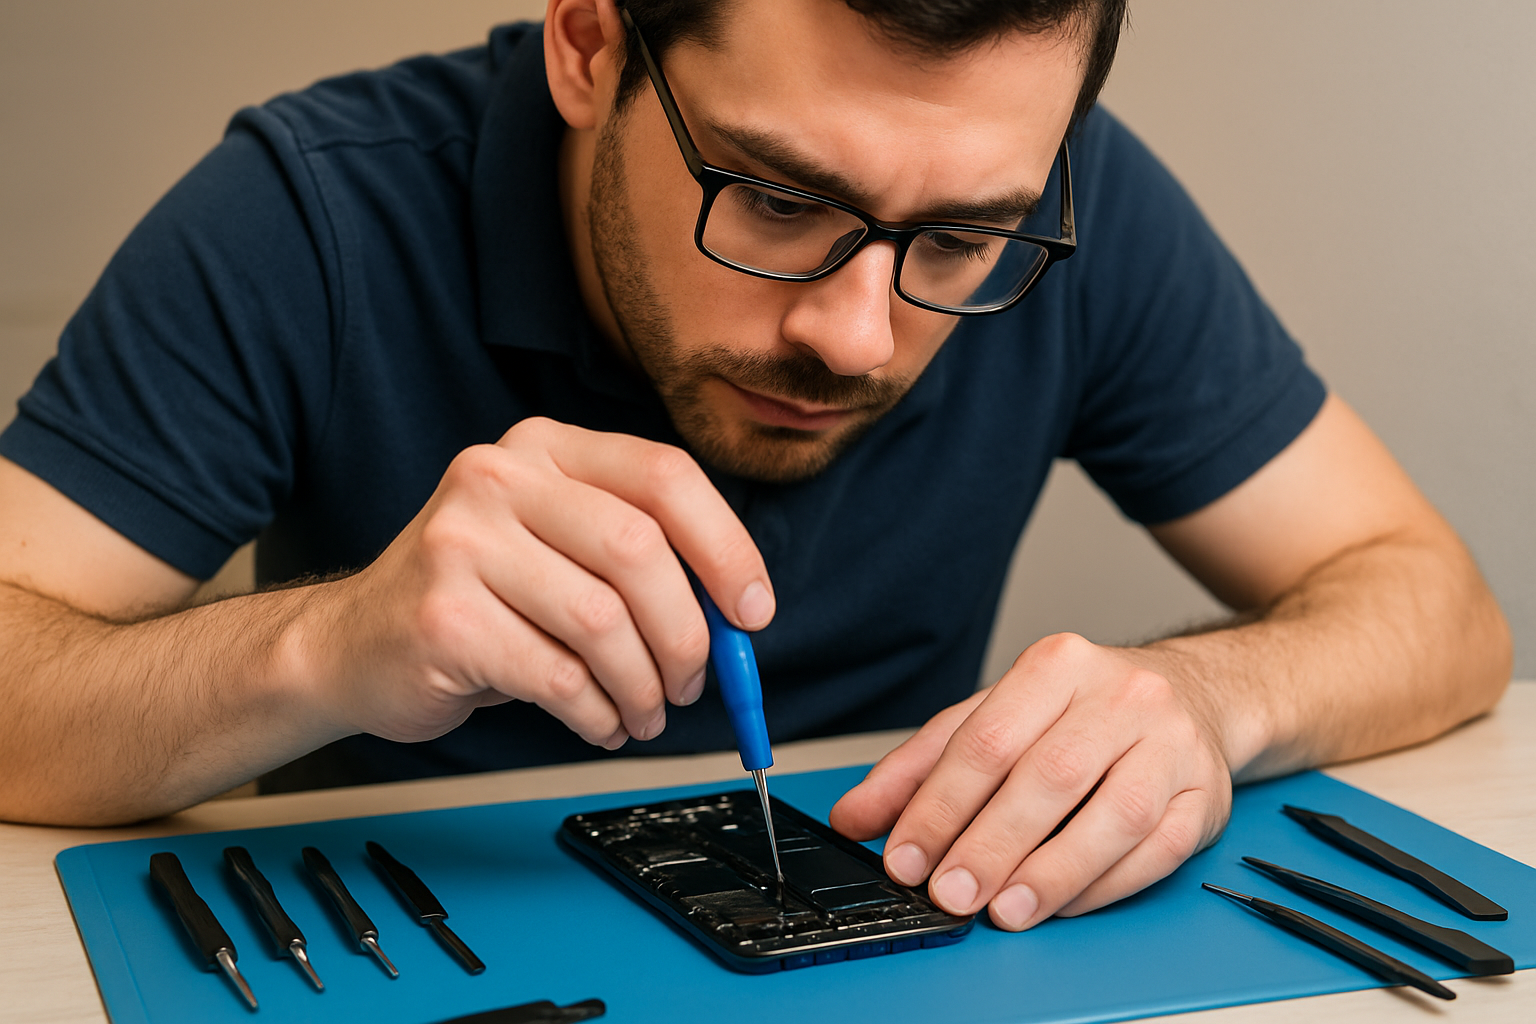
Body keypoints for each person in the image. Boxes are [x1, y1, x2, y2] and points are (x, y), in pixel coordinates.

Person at [0, 0, 1510, 936]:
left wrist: (1212, 698)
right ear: (588, 41)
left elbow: (1439, 611)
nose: (857, 335)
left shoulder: (1071, 210)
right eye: (779, 197)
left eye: (961, 240)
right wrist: (322, 645)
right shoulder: (310, 220)